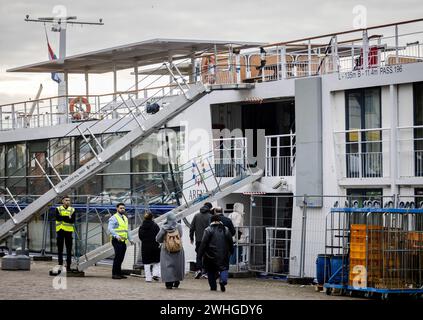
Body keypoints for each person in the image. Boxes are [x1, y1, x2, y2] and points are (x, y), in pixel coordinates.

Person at [198, 215, 234, 292]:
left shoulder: (208, 230)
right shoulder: (226, 229)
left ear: (211, 221)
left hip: (210, 255)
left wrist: (200, 254)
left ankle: (213, 287)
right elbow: (230, 242)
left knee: (211, 270)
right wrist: (231, 250)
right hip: (224, 254)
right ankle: (222, 281)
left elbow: (203, 243)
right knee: (224, 268)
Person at [156, 212, 185, 289]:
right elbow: (181, 235)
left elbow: (158, 238)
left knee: (167, 266)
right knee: (177, 265)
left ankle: (168, 283)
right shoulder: (179, 226)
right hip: (178, 248)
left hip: (166, 249)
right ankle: (177, 280)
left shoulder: (164, 227)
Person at [108, 202, 134, 279]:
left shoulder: (125, 218)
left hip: (123, 241)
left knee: (121, 257)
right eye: (121, 208)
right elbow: (110, 228)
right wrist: (116, 235)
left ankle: (119, 273)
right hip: (116, 240)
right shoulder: (114, 218)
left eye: (123, 208)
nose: (122, 209)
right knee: (118, 257)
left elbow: (127, 230)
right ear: (117, 209)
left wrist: (131, 239)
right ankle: (114, 274)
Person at [189, 202, 213, 279]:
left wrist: (191, 237)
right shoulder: (210, 216)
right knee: (207, 256)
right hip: (208, 240)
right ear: (210, 208)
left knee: (199, 255)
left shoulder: (196, 216)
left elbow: (192, 227)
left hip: (198, 239)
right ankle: (205, 272)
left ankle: (198, 270)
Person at [138, 212, 161, 282]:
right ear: (152, 217)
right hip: (155, 245)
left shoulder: (141, 227)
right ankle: (156, 274)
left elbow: (140, 237)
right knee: (156, 261)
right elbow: (159, 235)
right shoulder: (155, 226)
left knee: (146, 262)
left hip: (145, 246)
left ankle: (148, 278)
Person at [55, 195, 75, 271]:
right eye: (66, 200)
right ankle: (60, 265)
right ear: (62, 201)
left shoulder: (72, 209)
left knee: (69, 249)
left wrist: (63, 217)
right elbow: (57, 218)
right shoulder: (58, 209)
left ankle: (68, 266)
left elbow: (72, 220)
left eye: (69, 200)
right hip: (60, 231)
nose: (68, 202)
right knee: (60, 249)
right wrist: (67, 217)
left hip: (69, 232)